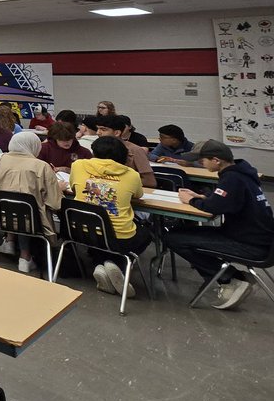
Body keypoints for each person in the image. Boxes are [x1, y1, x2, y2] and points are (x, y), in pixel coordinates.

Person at [164, 140, 274, 310]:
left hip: (249, 244)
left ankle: (230, 279)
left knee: (173, 238)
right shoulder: (242, 174)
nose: (200, 163)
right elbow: (226, 201)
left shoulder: (232, 178)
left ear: (216, 160)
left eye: (202, 161)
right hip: (255, 238)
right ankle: (233, 277)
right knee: (180, 231)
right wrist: (204, 198)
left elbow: (215, 208)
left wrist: (191, 200)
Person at [68, 136, 150, 297]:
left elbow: (73, 187)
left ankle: (102, 265)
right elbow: (138, 194)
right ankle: (116, 265)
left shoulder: (78, 165)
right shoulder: (132, 175)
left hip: (79, 232)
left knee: (99, 235)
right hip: (118, 237)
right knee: (146, 234)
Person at [0, 131, 62, 275]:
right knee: (27, 211)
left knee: (14, 206)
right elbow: (56, 204)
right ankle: (25, 258)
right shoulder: (41, 166)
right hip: (33, 222)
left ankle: (9, 241)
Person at [95, 115, 155, 187]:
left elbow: (150, 181)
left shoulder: (135, 150)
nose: (98, 133)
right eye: (97, 129)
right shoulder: (98, 147)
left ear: (117, 133)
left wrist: (120, 181)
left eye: (103, 129)